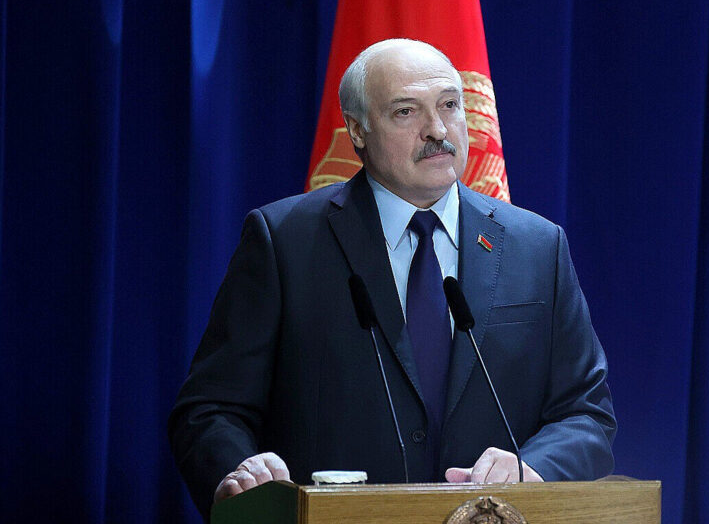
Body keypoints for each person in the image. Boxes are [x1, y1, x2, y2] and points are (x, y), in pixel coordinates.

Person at [168, 38, 615, 519]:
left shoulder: (538, 247)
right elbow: (209, 410)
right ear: (357, 130)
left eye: (450, 105)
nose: (437, 129)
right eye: (406, 112)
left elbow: (586, 413)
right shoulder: (285, 241)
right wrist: (241, 471)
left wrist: (532, 469)